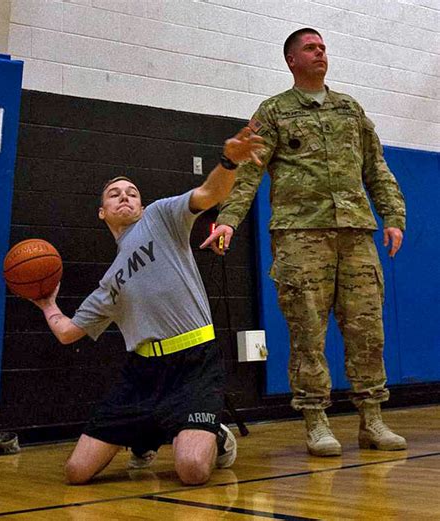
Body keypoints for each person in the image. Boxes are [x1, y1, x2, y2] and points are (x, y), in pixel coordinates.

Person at [201, 28, 407, 457]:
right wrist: (229, 221)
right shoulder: (273, 112)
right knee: (307, 335)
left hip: (355, 236)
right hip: (299, 238)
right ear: (292, 60)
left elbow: (377, 168)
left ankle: (372, 420)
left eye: (323, 47)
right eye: (311, 48)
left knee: (368, 331)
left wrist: (393, 216)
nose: (320, 53)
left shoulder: (350, 110)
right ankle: (316, 423)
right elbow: (250, 172)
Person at [31, 127, 264, 485]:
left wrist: (229, 160)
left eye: (131, 193)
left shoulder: (161, 218)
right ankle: (146, 435)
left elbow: (209, 192)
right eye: (114, 194)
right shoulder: (109, 283)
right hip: (142, 374)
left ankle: (217, 436)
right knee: (76, 473)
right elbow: (66, 333)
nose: (124, 197)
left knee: (192, 471)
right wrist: (47, 304)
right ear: (102, 212)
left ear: (140, 205)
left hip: (194, 362)